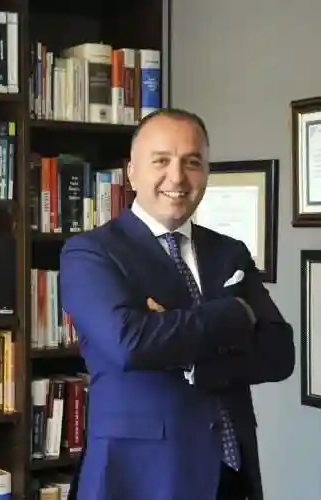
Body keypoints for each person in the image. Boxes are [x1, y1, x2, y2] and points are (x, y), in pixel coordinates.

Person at [59, 108, 295, 500]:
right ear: (132, 172)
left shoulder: (229, 252)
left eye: (192, 162)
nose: (177, 177)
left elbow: (279, 352)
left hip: (231, 474)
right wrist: (236, 314)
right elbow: (131, 343)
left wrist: (188, 354)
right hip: (139, 477)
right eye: (161, 161)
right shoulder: (90, 253)